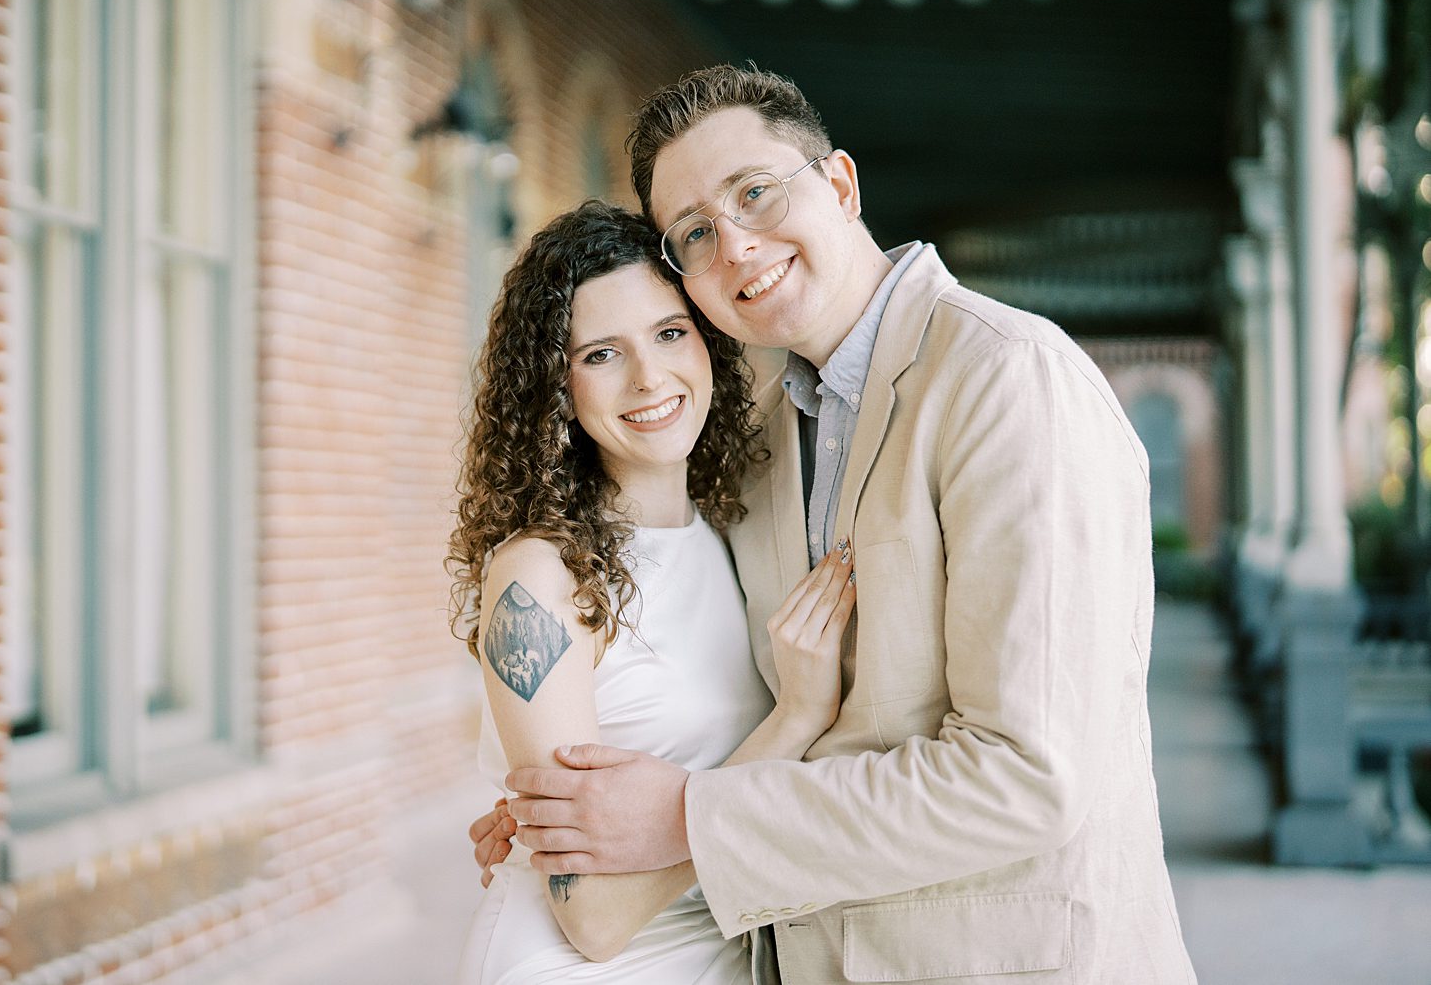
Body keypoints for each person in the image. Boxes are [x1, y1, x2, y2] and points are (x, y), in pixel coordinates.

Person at [472, 65, 1197, 984]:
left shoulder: (1006, 380)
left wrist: (683, 815)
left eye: (755, 193)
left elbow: (1029, 774)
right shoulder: (760, 443)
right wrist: (560, 814)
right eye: (694, 233)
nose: (735, 246)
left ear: (842, 185)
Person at [448, 200, 858, 983]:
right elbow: (594, 919)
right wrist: (798, 719)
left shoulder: (736, 533)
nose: (649, 378)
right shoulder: (543, 576)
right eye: (600, 353)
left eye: (670, 333)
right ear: (556, 386)